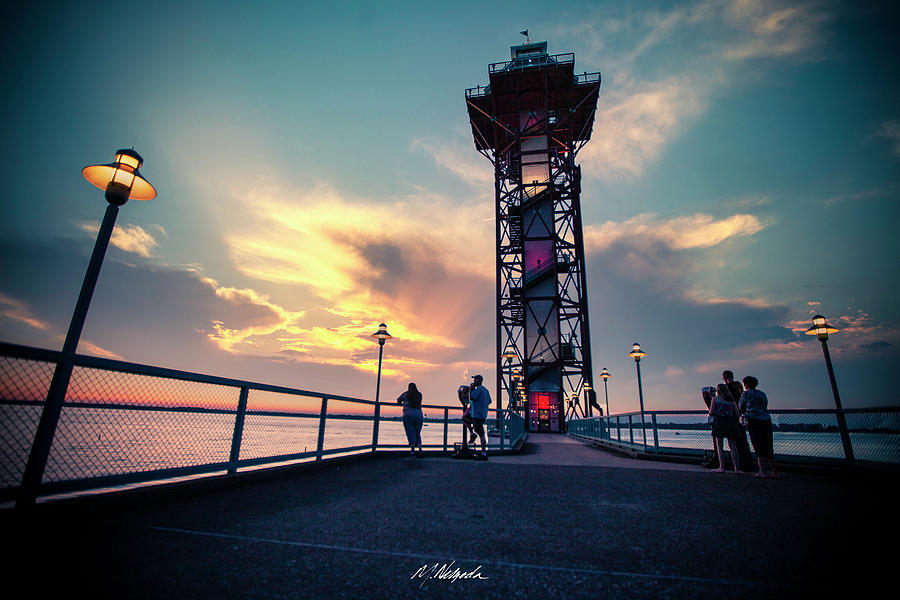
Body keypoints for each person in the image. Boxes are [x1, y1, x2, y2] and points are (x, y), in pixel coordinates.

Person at [739, 376, 779, 478]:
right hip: (765, 420)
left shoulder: (746, 394)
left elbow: (740, 406)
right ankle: (774, 472)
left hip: (753, 421)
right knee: (768, 445)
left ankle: (762, 471)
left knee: (758, 445)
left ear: (746, 384)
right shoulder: (762, 394)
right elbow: (765, 405)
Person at [723, 370, 755, 472]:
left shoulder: (725, 388)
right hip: (740, 416)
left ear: (724, 378)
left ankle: (737, 464)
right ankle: (748, 464)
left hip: (730, 416)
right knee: (743, 440)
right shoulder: (739, 385)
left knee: (733, 442)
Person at [710, 383, 742, 473]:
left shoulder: (715, 399)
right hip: (730, 423)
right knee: (733, 446)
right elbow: (737, 413)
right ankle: (737, 469)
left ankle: (722, 467)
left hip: (719, 422)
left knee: (720, 446)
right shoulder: (731, 400)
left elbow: (711, 412)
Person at [468, 375, 492, 460]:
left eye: (475, 380)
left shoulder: (479, 389)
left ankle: (483, 453)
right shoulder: (486, 390)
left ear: (479, 381)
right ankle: (472, 433)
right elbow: (489, 401)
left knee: (481, 434)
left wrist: (471, 388)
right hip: (483, 415)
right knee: (478, 430)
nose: (474, 381)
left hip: (477, 415)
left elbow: (472, 397)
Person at [397, 382, 424, 458]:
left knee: (410, 432)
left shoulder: (406, 394)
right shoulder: (419, 395)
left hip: (408, 415)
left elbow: (399, 400)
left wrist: (401, 404)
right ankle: (420, 450)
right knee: (417, 433)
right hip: (419, 415)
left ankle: (412, 451)